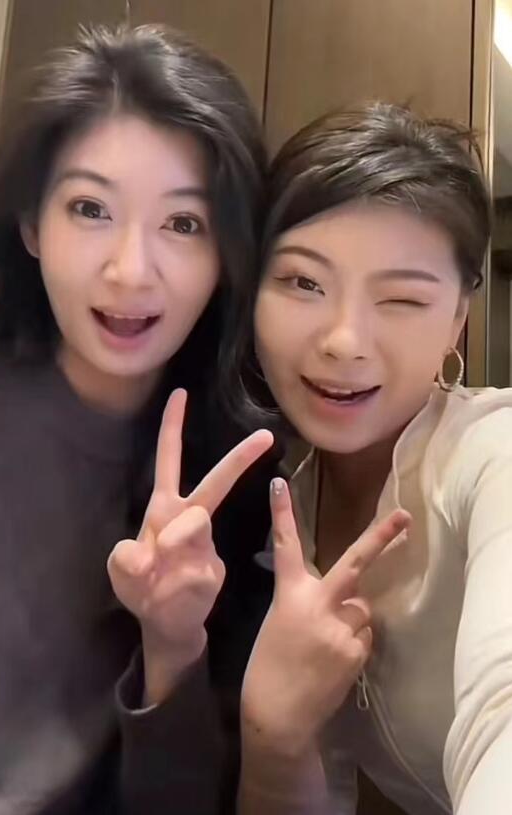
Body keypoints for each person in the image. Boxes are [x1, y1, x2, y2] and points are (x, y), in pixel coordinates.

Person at [0, 23, 276, 814]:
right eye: (90, 208)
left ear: (227, 256)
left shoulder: (245, 472)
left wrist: (172, 644)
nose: (130, 270)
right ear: (32, 225)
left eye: (183, 223)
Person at [234, 104, 512, 815]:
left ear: (456, 321)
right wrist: (274, 736)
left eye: (401, 299)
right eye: (303, 283)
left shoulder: (491, 455)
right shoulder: (282, 510)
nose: (344, 341)